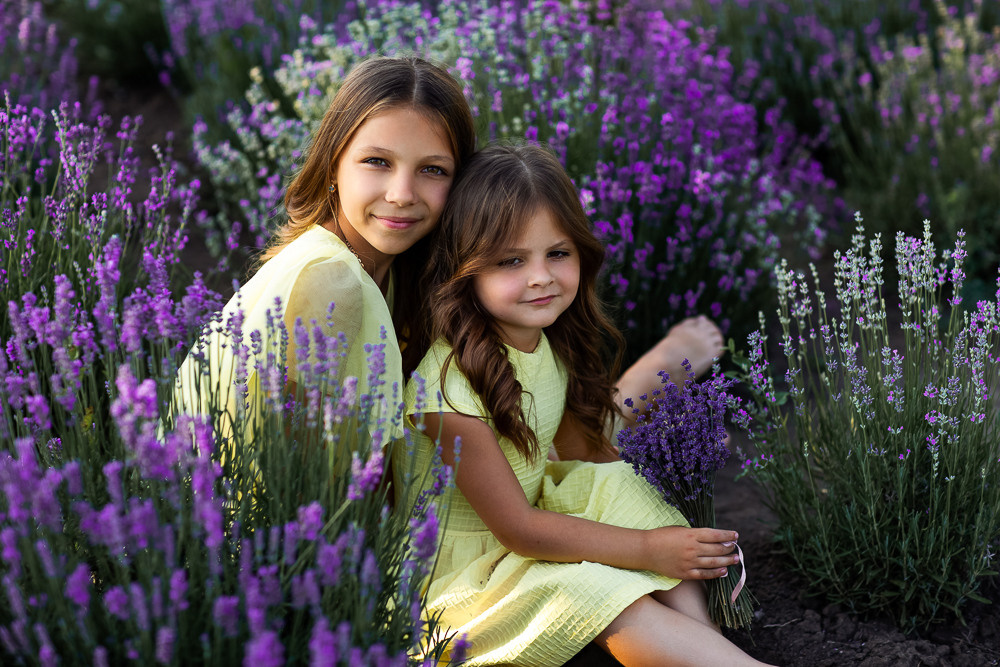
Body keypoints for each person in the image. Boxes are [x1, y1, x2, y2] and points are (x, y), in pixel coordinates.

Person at [395, 143, 770, 666]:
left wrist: (661, 505)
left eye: (557, 252)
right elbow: (518, 530)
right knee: (599, 589)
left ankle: (704, 643)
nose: (541, 276)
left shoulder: (543, 341)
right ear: (465, 270)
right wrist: (647, 550)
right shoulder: (448, 387)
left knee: (624, 484)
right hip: (460, 581)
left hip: (526, 528)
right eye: (510, 260)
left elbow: (582, 453)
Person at [170, 56, 477, 456]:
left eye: (433, 170)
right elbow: (295, 475)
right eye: (377, 162)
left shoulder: (390, 270)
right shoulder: (332, 281)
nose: (402, 194)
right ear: (333, 165)